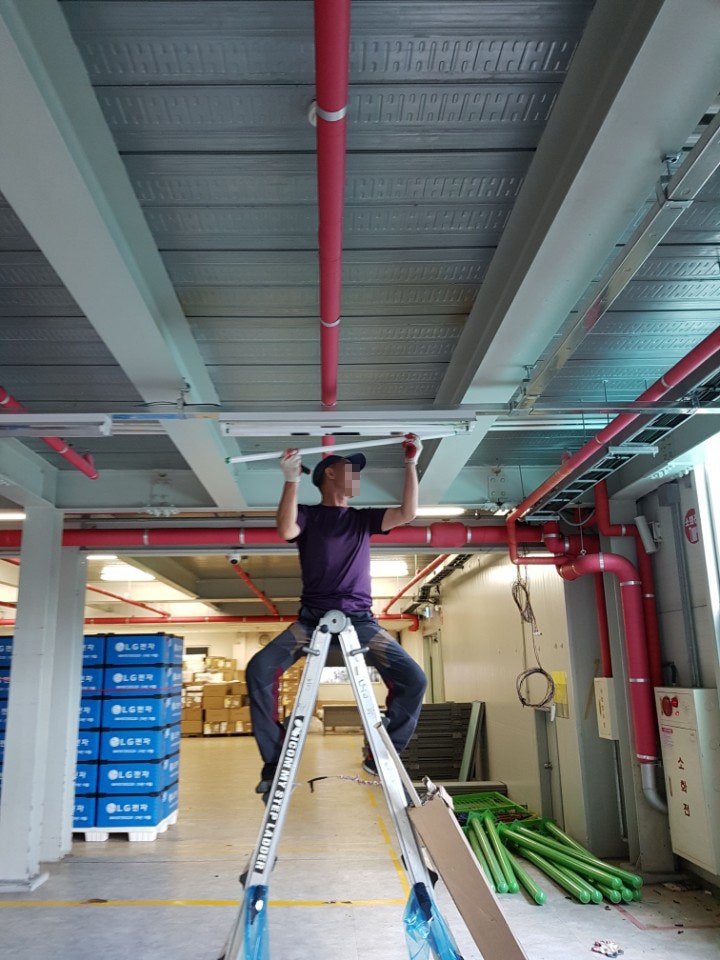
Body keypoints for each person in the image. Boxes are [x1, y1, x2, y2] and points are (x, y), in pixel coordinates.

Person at [245, 435, 428, 801]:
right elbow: (285, 529)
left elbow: (408, 513)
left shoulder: (363, 519)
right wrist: (290, 479)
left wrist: (411, 462)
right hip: (311, 621)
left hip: (361, 622)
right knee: (259, 669)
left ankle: (379, 754)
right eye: (351, 470)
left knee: (414, 679)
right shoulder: (309, 516)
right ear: (330, 474)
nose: (357, 477)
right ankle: (275, 758)